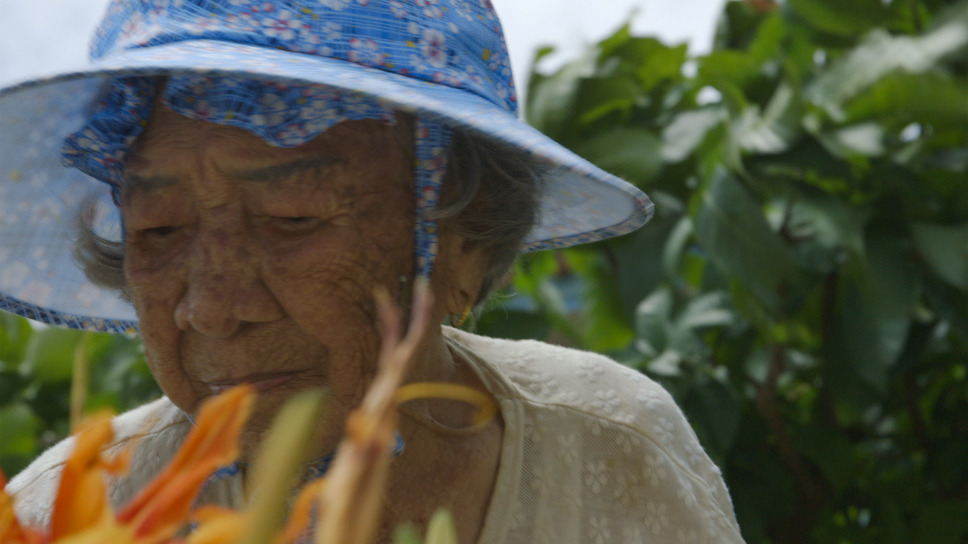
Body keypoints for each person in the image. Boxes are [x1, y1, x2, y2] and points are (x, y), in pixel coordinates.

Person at [0, 1, 745, 542]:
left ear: (463, 244)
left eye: (291, 218)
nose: (215, 308)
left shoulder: (612, 448)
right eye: (158, 231)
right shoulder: (67, 516)